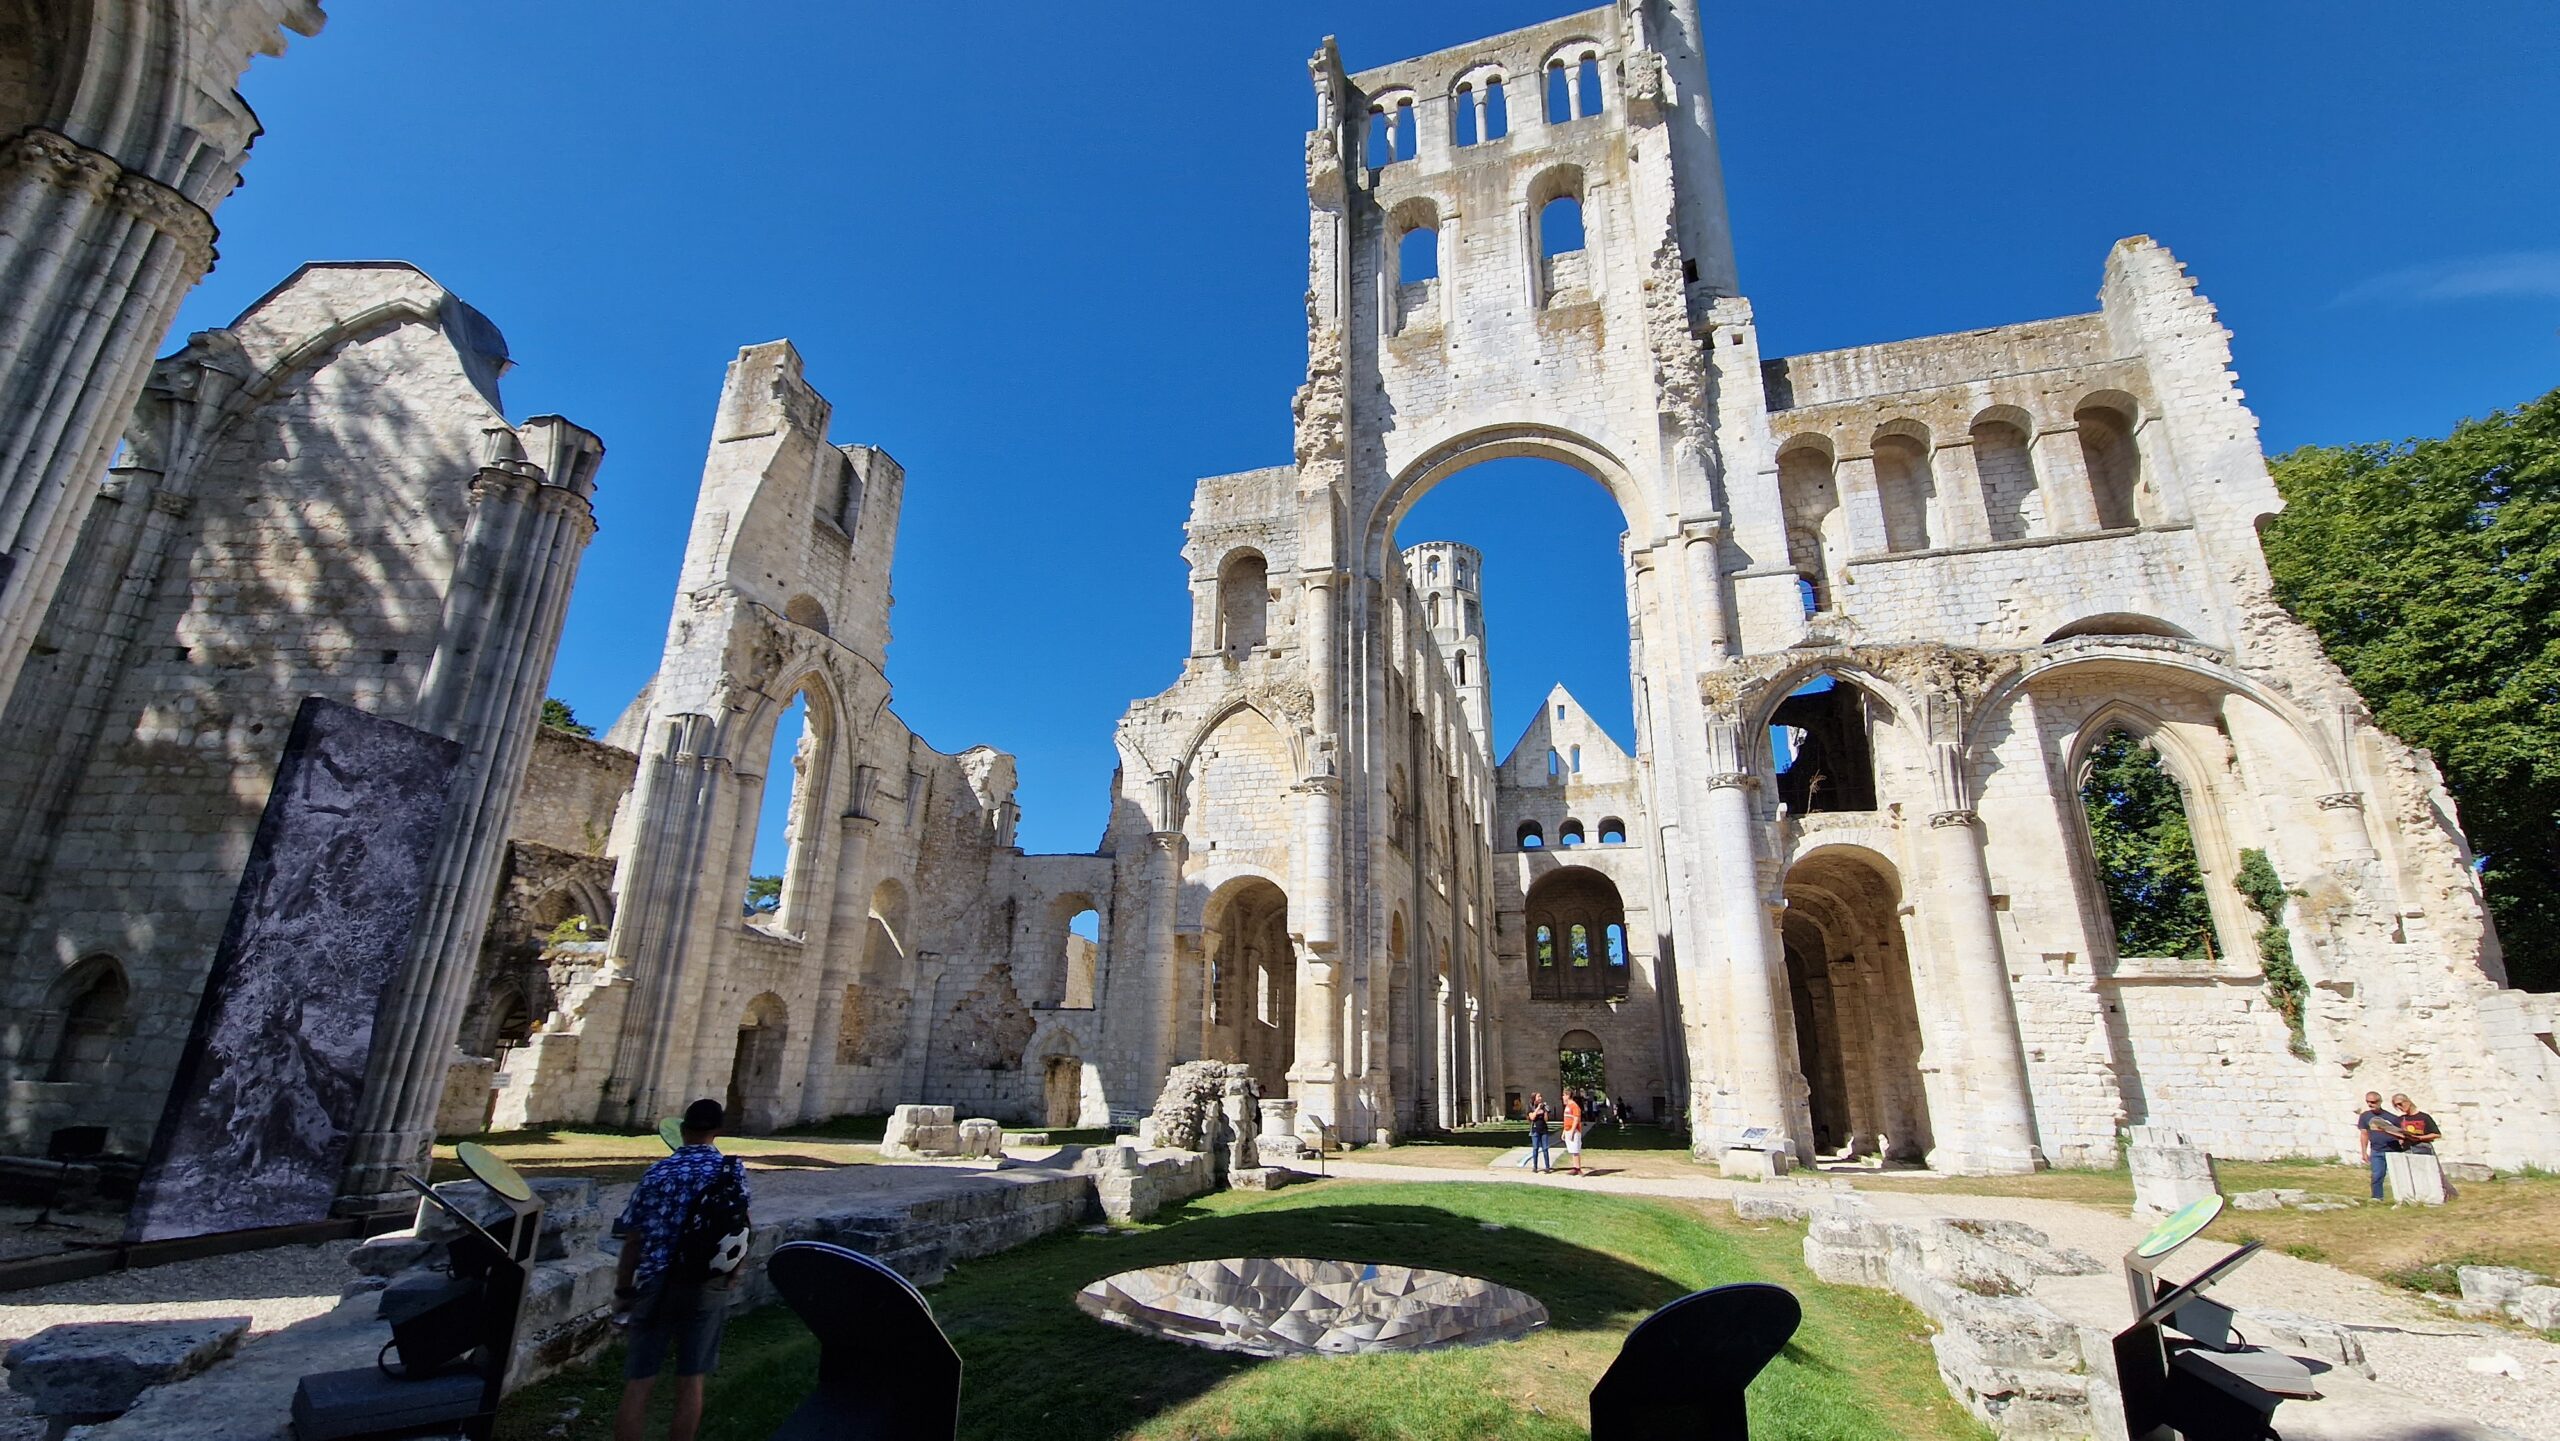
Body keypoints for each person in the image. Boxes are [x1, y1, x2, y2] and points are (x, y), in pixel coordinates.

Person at [613, 1098, 751, 1441]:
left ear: (684, 1130)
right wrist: (733, 1272)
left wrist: (623, 1289)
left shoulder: (658, 1172)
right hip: (707, 1282)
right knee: (691, 1381)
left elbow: (633, 1238)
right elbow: (742, 1227)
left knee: (639, 1382)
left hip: (657, 1280)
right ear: (717, 1131)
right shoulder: (730, 1171)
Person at [2355, 1091, 2400, 1200]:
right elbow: (2364, 1134)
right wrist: (2364, 1152)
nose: (2371, 1104)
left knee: (2397, 1176)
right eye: (2368, 1102)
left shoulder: (2392, 1117)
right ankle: (2377, 1197)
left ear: (2380, 1102)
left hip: (2393, 1150)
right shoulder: (2365, 1116)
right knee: (2377, 1175)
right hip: (2376, 1150)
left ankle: (2401, 1197)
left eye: (2373, 1102)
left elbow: (2400, 1134)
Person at [1526, 1093, 1553, 1173]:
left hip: (1544, 1130)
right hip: (1535, 1130)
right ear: (1534, 1098)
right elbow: (1532, 1117)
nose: (1540, 1098)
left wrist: (1545, 1112)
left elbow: (1546, 1120)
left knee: (1545, 1148)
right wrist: (1538, 1108)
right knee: (1535, 1148)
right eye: (1538, 1096)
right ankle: (1535, 1167)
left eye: (1541, 1096)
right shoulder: (1531, 1107)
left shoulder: (1544, 1106)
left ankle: (1547, 1167)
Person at [1562, 1091, 1586, 1176]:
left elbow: (1576, 1119)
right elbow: (1566, 1119)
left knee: (1576, 1149)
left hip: (1574, 1131)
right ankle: (1575, 1167)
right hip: (1567, 1129)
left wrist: (1572, 1131)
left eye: (1564, 1095)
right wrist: (1564, 1132)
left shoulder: (1574, 1106)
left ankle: (1578, 1168)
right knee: (1572, 1150)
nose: (1563, 1097)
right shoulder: (1567, 1106)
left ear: (1568, 1096)